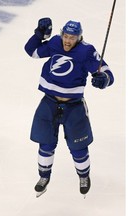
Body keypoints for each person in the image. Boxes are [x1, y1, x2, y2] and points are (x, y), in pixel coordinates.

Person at [24, 18, 114, 197]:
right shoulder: (55, 43)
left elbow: (108, 73)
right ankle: (44, 176)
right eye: (65, 36)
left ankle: (84, 176)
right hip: (49, 102)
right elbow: (32, 51)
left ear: (79, 38)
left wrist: (103, 79)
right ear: (61, 34)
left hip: (74, 106)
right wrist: (38, 34)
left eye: (72, 37)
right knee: (46, 143)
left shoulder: (86, 51)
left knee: (78, 147)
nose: (67, 40)